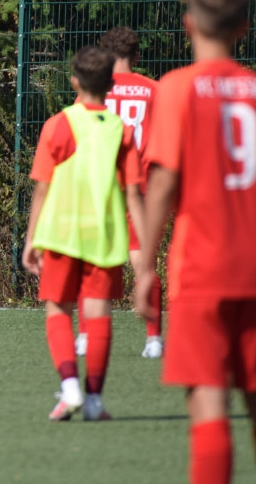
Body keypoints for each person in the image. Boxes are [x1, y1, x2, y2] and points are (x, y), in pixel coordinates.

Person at [135, 0, 256, 484]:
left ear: (188, 23)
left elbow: (164, 181)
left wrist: (145, 265)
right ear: (244, 27)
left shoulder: (177, 89)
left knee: (210, 405)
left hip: (202, 266)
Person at [22, 46, 145, 421]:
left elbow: (41, 188)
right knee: (98, 314)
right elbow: (133, 193)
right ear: (111, 85)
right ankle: (93, 400)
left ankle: (70, 387)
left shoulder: (58, 125)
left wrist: (31, 239)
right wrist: (145, 247)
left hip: (60, 233)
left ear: (74, 81)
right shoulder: (120, 130)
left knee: (58, 308)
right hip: (103, 236)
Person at [75, 26, 163, 359]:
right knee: (143, 263)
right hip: (141, 187)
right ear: (136, 56)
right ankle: (153, 339)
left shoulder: (95, 90)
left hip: (101, 186)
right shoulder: (153, 90)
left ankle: (86, 335)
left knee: (93, 264)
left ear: (105, 56)